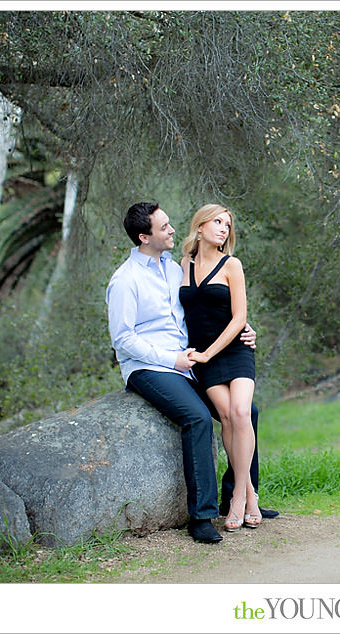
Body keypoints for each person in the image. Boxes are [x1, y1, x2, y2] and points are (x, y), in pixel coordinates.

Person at [106, 202, 274, 544]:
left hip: (191, 361)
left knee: (247, 412)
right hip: (150, 367)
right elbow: (123, 340)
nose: (171, 230)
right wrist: (171, 360)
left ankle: (240, 496)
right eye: (164, 227)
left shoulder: (174, 268)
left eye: (169, 224)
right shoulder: (125, 280)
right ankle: (201, 515)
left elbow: (204, 308)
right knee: (198, 418)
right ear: (144, 236)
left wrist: (243, 327)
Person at [179, 204, 260, 532]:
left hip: (232, 351)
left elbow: (239, 317)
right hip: (202, 356)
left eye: (228, 224)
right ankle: (251, 491)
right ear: (199, 227)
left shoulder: (233, 265)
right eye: (217, 222)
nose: (224, 228)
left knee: (242, 411)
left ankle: (239, 495)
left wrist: (208, 354)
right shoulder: (184, 264)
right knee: (225, 415)